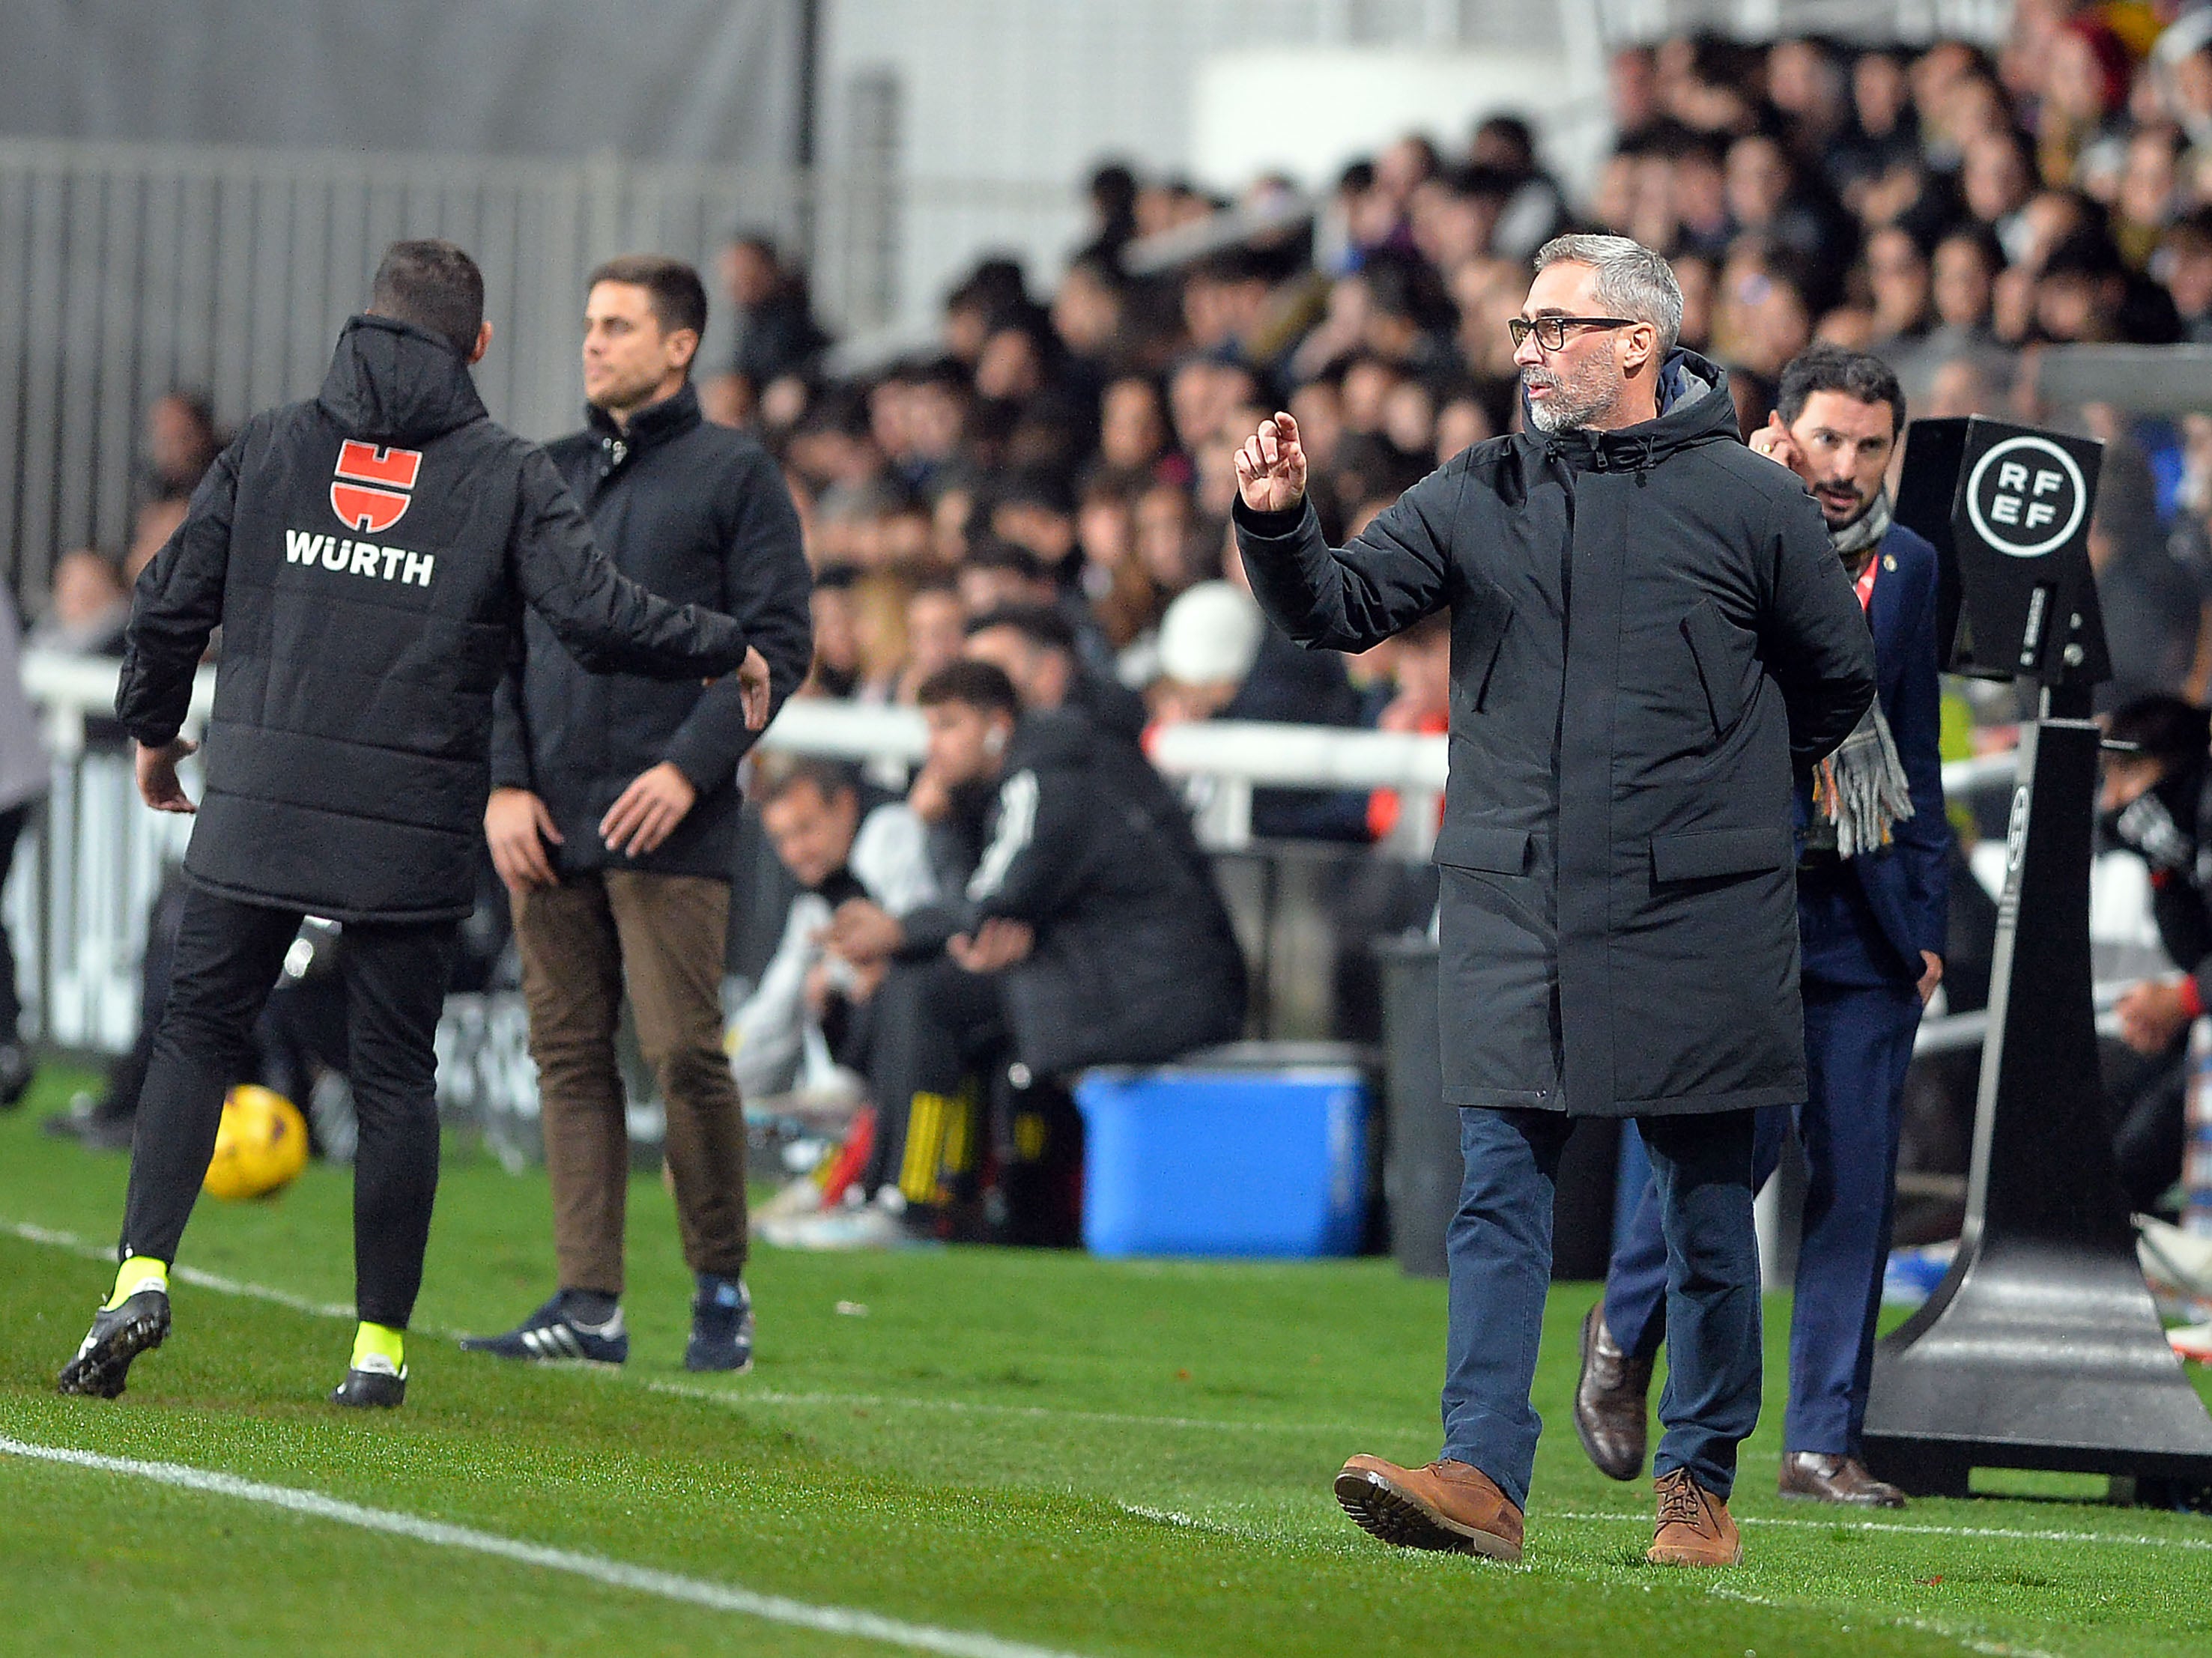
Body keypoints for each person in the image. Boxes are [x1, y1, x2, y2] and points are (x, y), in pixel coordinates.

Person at [1231, 234, 1873, 1567]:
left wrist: (1724, 801)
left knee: (1704, 1212)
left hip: (1698, 904)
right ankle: (1478, 1472)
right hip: (1516, 894)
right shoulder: (1480, 487)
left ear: (1636, 342)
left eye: (1552, 327)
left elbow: (1834, 682)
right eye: (1520, 329)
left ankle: (1695, 1488)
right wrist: (1278, 520)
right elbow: (1338, 607)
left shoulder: (1753, 504)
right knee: (1497, 1189)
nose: (1527, 351)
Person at [55, 239, 767, 1410]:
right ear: (477, 345)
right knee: (393, 1075)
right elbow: (594, 615)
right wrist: (721, 642)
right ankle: (376, 1350)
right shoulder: (503, 473)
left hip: (265, 797)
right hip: (412, 818)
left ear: (364, 324)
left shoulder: (277, 443)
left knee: (198, 1031)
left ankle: (139, 1270)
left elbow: (168, 597)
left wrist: (153, 726)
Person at [1577, 344, 1950, 1510]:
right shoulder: (1724, 525)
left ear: (1894, 450)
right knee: (1736, 1142)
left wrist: (1927, 916)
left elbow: (1919, 750)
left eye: (1869, 445)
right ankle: (1623, 1327)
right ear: (1781, 428)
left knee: (1860, 1175)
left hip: (1868, 911)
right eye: (1827, 439)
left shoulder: (1915, 566)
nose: (1844, 468)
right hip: (1743, 891)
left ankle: (1821, 1442)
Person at [466, 255, 812, 1374]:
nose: (591, 342)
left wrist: (688, 770)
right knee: (568, 1058)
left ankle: (720, 1288)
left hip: (673, 820)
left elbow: (779, 646)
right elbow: (498, 641)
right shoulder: (545, 473)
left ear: (681, 345)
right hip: (547, 814)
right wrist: (505, 780)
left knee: (681, 1054)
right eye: (587, 323)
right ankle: (588, 1302)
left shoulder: (736, 478)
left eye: (617, 324)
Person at [822, 661, 1247, 1232]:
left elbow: (993, 898)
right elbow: (985, 910)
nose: (934, 748)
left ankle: (910, 1204)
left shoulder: (1045, 777)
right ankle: (919, 1196)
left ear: (998, 724)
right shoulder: (1045, 769)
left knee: (924, 989)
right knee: (929, 980)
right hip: (1119, 975)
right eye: (929, 728)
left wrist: (904, 922)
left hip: (1150, 991)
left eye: (948, 725)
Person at [728, 759, 937, 1105]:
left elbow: (917, 937)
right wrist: (714, 1087)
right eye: (782, 840)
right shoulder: (813, 903)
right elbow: (775, 1007)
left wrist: (836, 974)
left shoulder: (891, 831)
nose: (795, 852)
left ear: (844, 806)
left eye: (806, 829)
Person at [2096, 694, 2212, 1212]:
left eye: (2126, 774)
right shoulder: (2184, 832)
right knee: (2110, 1112)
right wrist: (2163, 868)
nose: (2111, 800)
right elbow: (2193, 951)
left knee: (2146, 1137)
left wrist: (2182, 1001)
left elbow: (2193, 980)